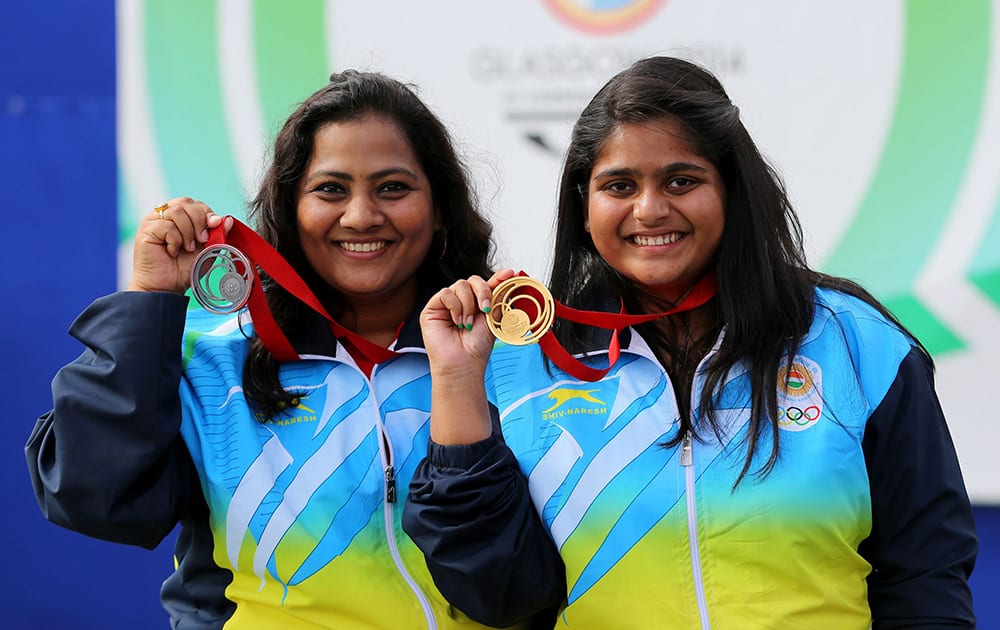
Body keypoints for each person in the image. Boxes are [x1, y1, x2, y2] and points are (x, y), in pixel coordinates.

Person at [402, 56, 979, 628]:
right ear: (584, 204)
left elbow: (925, 574)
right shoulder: (525, 361)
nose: (650, 209)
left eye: (682, 180)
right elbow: (500, 597)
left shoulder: (857, 344)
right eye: (619, 185)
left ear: (732, 189)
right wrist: (456, 381)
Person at [25, 70, 543, 628]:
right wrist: (149, 302)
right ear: (289, 209)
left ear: (440, 207)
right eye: (330, 190)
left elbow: (528, 582)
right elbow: (91, 496)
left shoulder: (518, 359)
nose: (362, 216)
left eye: (393, 187)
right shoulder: (217, 367)